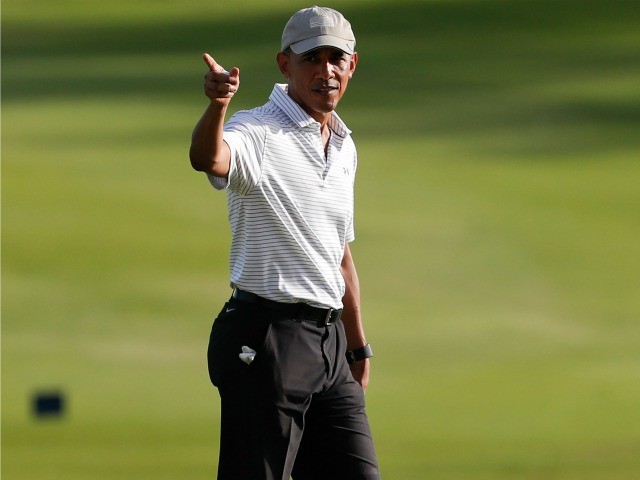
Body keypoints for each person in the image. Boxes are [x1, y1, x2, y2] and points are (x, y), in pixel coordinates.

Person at [189, 6, 380, 480]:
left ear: (352, 65)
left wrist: (356, 349)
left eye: (336, 58)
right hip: (267, 339)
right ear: (284, 64)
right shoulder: (257, 131)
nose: (325, 71)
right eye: (311, 58)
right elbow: (208, 157)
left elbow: (339, 255)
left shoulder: (343, 145)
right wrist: (218, 107)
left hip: (329, 344)